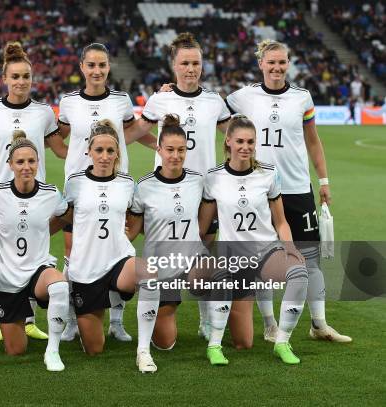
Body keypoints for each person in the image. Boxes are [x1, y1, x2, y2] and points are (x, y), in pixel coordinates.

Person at [226, 39, 351, 343]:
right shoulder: (243, 97)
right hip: (260, 190)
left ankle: (319, 324)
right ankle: (270, 324)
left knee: (311, 260)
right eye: (271, 62)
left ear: (288, 63)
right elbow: (213, 112)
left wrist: (323, 181)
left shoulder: (302, 98)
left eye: (282, 62)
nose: (277, 67)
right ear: (261, 64)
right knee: (262, 261)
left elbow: (313, 141)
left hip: (298, 188)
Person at [126, 32, 231, 339]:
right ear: (174, 66)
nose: (191, 68)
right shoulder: (161, 99)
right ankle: (159, 302)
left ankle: (204, 320)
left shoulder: (214, 102)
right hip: (165, 190)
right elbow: (135, 131)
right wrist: (154, 148)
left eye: (196, 63)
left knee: (205, 251)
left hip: (204, 192)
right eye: (185, 63)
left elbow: (234, 134)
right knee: (163, 253)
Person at [58, 43, 156, 342]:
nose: (97, 71)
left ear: (108, 67)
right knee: (72, 251)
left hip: (116, 185)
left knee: (118, 246)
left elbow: (128, 135)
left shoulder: (121, 101)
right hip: (79, 188)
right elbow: (59, 138)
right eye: (91, 65)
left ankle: (116, 320)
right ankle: (73, 319)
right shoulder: (68, 102)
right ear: (82, 67)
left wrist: (160, 145)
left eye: (102, 65)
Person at [0, 41, 67, 341]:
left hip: (33, 193)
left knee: (32, 249)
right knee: (2, 253)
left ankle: (27, 320)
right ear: (5, 79)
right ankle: (8, 316)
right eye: (15, 77)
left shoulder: (43, 113)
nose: (21, 82)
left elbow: (61, 150)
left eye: (26, 76)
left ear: (32, 78)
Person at [198, 115, 309, 365]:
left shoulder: (268, 174)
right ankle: (214, 346)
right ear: (228, 141)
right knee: (243, 342)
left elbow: (280, 221)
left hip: (266, 251)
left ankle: (282, 341)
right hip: (233, 256)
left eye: (250, 141)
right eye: (239, 141)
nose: (245, 147)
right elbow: (204, 228)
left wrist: (290, 248)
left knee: (299, 272)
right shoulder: (213, 177)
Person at [53, 120, 160, 373]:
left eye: (110, 151)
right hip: (86, 271)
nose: (104, 156)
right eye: (99, 150)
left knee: (149, 272)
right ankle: (89, 306)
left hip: (118, 262)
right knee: (94, 349)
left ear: (117, 154)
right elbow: (64, 220)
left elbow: (134, 219)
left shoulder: (126, 183)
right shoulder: (74, 183)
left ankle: (143, 351)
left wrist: (125, 235)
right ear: (88, 152)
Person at [0, 131, 70, 372]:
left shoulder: (51, 194)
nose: (26, 167)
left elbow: (65, 216)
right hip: (6, 277)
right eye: (20, 162)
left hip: (38, 269)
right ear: (10, 165)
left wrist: (43, 233)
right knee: (16, 350)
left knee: (60, 285)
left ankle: (53, 350)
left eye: (31, 161)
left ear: (38, 163)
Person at [127, 114, 208, 351]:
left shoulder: (197, 182)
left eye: (181, 150)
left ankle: (210, 324)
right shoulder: (144, 186)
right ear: (159, 149)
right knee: (165, 344)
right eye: (170, 149)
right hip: (160, 264)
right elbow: (134, 229)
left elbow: (206, 218)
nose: (175, 155)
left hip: (192, 257)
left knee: (214, 272)